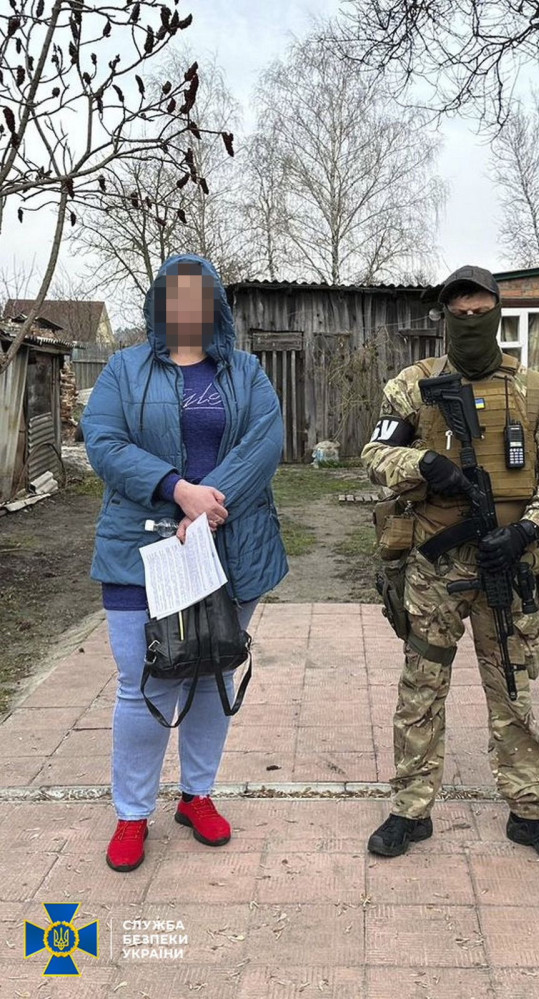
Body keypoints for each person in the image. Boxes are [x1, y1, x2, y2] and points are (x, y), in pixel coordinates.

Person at [363, 265, 539, 864]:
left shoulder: (536, 391)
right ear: (445, 318)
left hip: (508, 563)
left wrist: (527, 530)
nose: (469, 321)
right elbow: (374, 455)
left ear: (498, 314)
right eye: (458, 314)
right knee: (422, 686)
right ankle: (410, 809)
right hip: (434, 564)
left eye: (480, 312)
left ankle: (530, 810)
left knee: (511, 687)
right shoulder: (413, 385)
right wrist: (422, 465)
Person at [81, 254, 287, 873]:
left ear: (214, 305)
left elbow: (266, 441)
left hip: (229, 544)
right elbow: (104, 442)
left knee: (212, 672)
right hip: (140, 550)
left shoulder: (245, 371)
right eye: (174, 295)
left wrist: (206, 506)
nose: (186, 307)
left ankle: (197, 795)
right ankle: (132, 813)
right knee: (144, 683)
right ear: (159, 305)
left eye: (198, 295)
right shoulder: (123, 368)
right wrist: (178, 490)